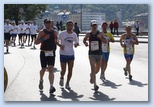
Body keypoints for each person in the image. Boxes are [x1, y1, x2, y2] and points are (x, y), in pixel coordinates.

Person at [35, 18, 58, 94]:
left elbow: (56, 40)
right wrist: (44, 39)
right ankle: (41, 80)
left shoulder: (54, 32)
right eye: (47, 23)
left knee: (51, 69)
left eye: (49, 23)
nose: (48, 24)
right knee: (43, 69)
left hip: (51, 53)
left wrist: (58, 44)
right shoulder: (42, 32)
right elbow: (36, 42)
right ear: (44, 24)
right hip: (43, 52)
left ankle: (51, 86)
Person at [83, 20, 107, 91]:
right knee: (93, 69)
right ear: (91, 26)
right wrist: (85, 43)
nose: (94, 26)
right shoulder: (88, 34)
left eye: (95, 25)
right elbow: (84, 40)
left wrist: (101, 38)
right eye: (93, 25)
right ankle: (95, 85)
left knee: (97, 69)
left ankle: (92, 75)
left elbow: (105, 41)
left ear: (97, 26)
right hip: (92, 54)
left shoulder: (100, 33)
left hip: (99, 54)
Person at [57, 20, 79, 90]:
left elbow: (77, 42)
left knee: (70, 70)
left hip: (71, 54)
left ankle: (67, 83)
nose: (70, 26)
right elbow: (56, 41)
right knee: (63, 70)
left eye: (71, 25)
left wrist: (76, 44)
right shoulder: (62, 34)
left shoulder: (74, 34)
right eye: (68, 25)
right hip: (63, 53)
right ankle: (62, 77)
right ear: (66, 26)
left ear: (73, 26)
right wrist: (60, 45)